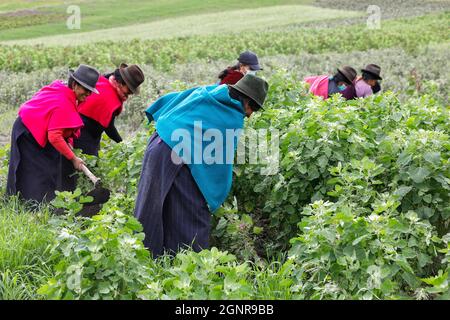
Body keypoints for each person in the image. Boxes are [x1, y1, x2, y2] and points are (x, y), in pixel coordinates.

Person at [134, 74, 269, 258]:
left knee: (156, 204)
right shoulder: (232, 117)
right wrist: (217, 193)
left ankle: (155, 259)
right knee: (185, 209)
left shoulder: (214, 92)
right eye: (253, 107)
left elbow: (179, 97)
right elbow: (220, 162)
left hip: (160, 143)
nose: (251, 114)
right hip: (171, 151)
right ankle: (177, 263)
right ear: (246, 100)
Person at [6, 64, 100, 203]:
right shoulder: (63, 101)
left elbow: (64, 127)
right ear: (74, 85)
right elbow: (54, 136)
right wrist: (74, 159)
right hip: (28, 131)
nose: (87, 94)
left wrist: (69, 144)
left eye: (90, 91)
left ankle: (39, 203)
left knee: (50, 166)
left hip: (37, 127)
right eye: (86, 90)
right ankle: (31, 205)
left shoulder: (67, 92)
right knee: (39, 170)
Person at [74, 63, 145, 156]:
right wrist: (122, 143)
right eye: (130, 89)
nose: (130, 93)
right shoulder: (110, 98)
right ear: (122, 83)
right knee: (86, 164)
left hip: (83, 129)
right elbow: (109, 128)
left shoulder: (107, 80)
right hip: (82, 134)